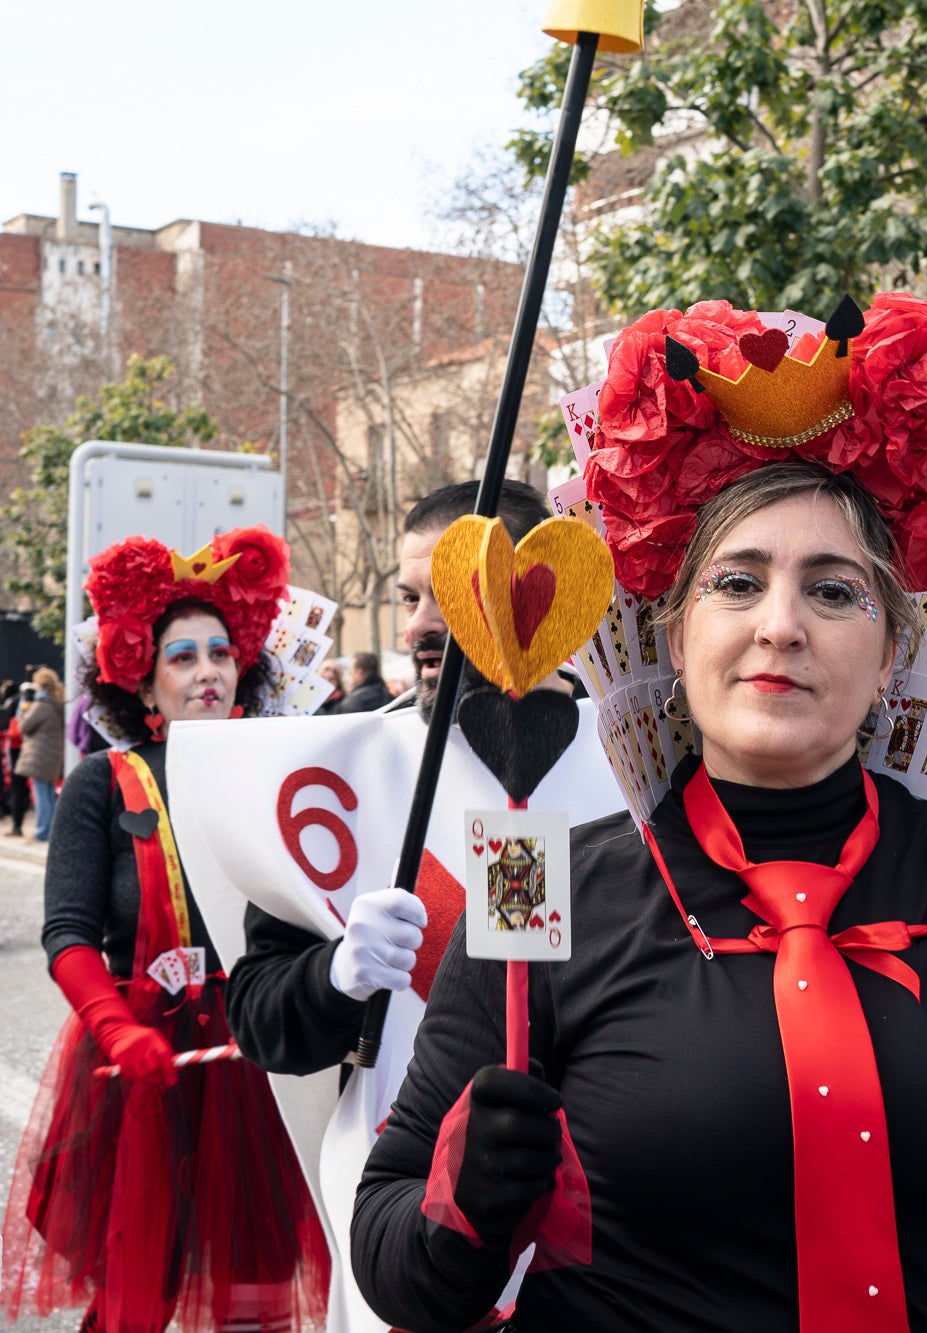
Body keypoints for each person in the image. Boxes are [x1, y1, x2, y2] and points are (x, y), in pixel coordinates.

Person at [349, 293, 927, 1332]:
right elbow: (395, 1263)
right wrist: (460, 1209)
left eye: (832, 593)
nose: (780, 625)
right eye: (737, 584)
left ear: (889, 656)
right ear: (675, 630)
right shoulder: (544, 886)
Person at [206, 478, 623, 1333]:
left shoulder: (631, 763)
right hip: (402, 1225)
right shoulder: (338, 776)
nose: (417, 627)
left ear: (534, 599)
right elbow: (261, 1019)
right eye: (407, 598)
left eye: (449, 595)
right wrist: (334, 976)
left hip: (603, 1236)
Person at [0, 526, 329, 1333]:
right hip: (141, 1074)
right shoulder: (99, 783)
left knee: (254, 1298)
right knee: (135, 1294)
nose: (207, 670)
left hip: (257, 1070)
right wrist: (114, 1029)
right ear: (143, 685)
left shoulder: (279, 773)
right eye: (182, 657)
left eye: (220, 651)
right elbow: (68, 932)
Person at [17, 668, 65, 843]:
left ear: (41, 685)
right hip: (52, 755)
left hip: (39, 755)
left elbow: (24, 726)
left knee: (42, 795)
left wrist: (24, 710)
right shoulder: (57, 703)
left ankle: (42, 832)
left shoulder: (42, 705)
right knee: (48, 794)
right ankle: (50, 830)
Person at [5, 683, 31, 838]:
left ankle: (18, 825)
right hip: (30, 751)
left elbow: (22, 727)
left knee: (19, 786)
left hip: (22, 750)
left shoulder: (26, 704)